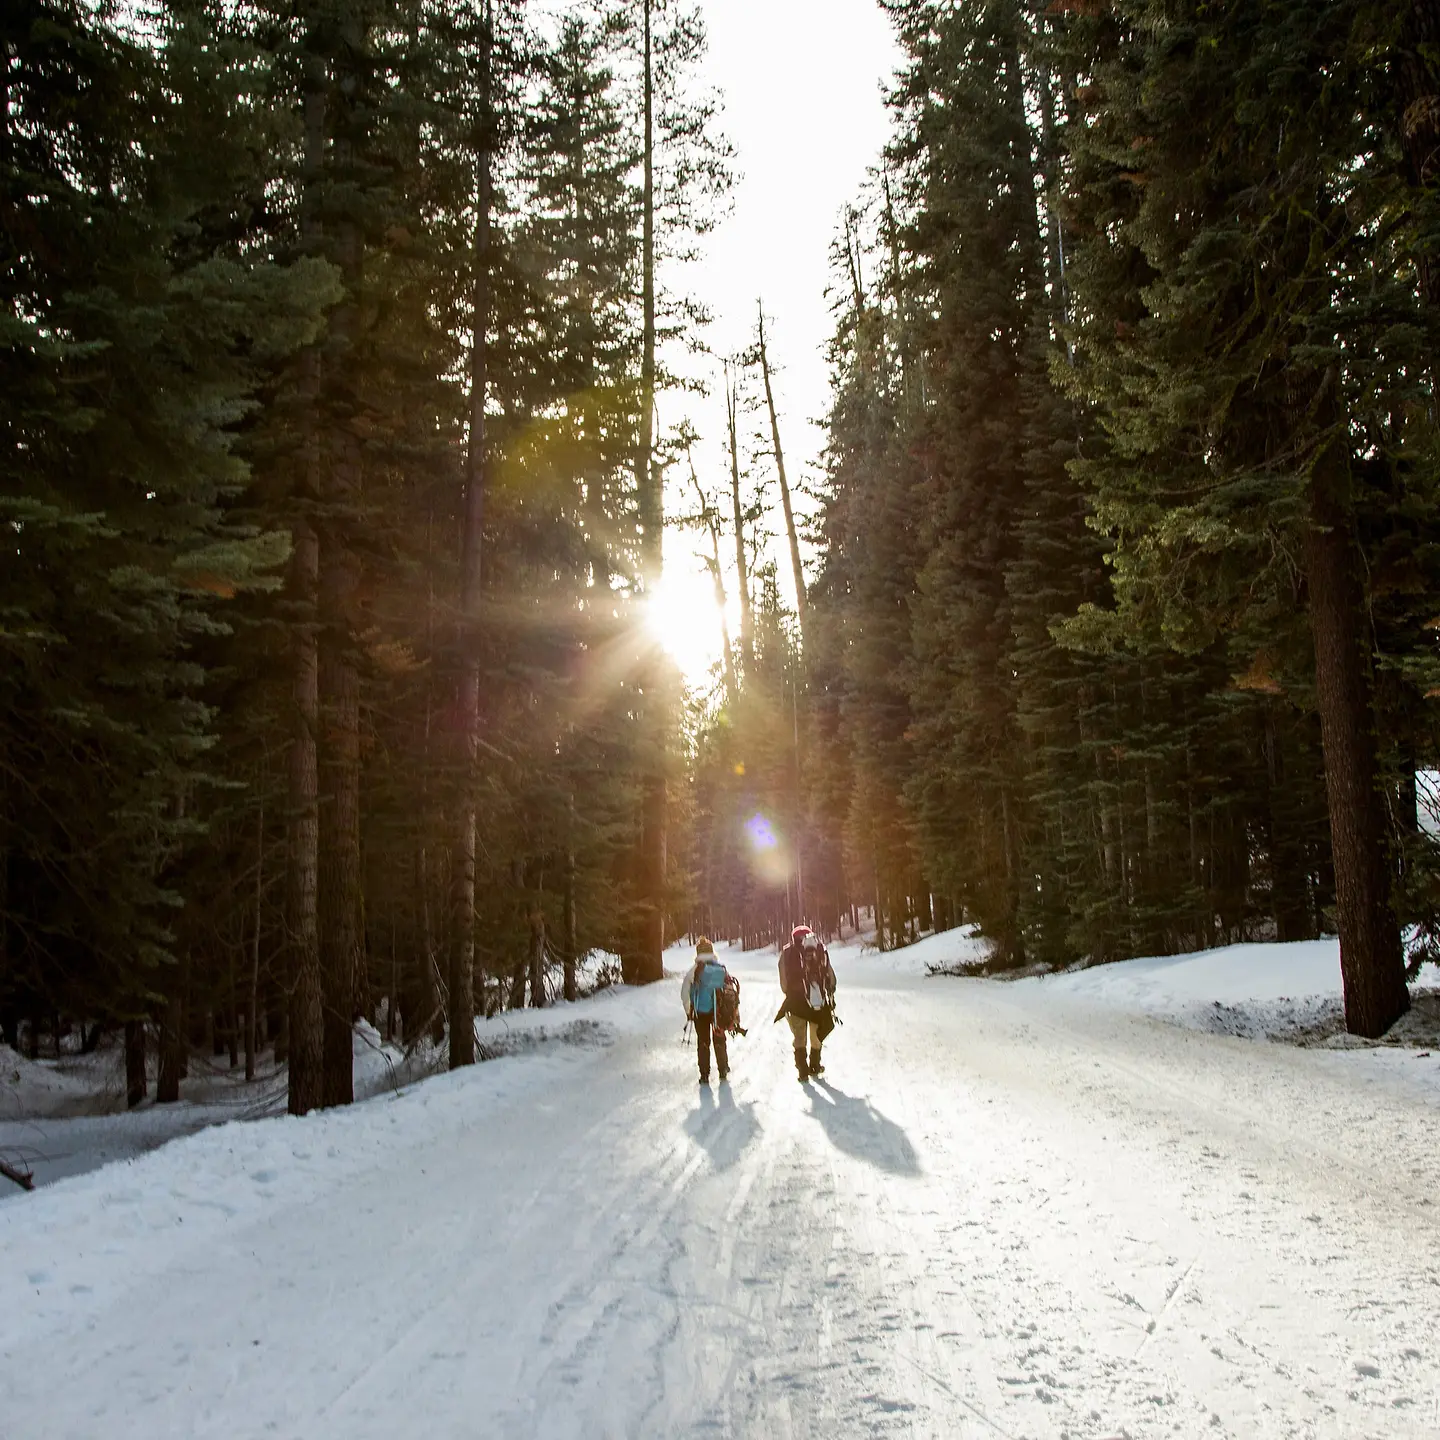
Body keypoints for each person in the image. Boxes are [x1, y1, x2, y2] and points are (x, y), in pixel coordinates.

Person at [777, 924, 836, 1080]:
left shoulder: (787, 953)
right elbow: (830, 974)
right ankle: (815, 1065)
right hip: (817, 999)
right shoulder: (819, 951)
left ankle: (802, 1070)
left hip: (795, 1001)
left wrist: (789, 992)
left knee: (799, 1036)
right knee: (816, 1035)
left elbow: (783, 981)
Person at [686, 937, 731, 1085]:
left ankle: (704, 1073)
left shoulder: (694, 971)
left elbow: (684, 993)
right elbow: (729, 991)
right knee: (719, 1038)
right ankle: (723, 1068)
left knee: (703, 1041)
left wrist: (689, 1011)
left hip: (701, 1011)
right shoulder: (720, 968)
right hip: (718, 1010)